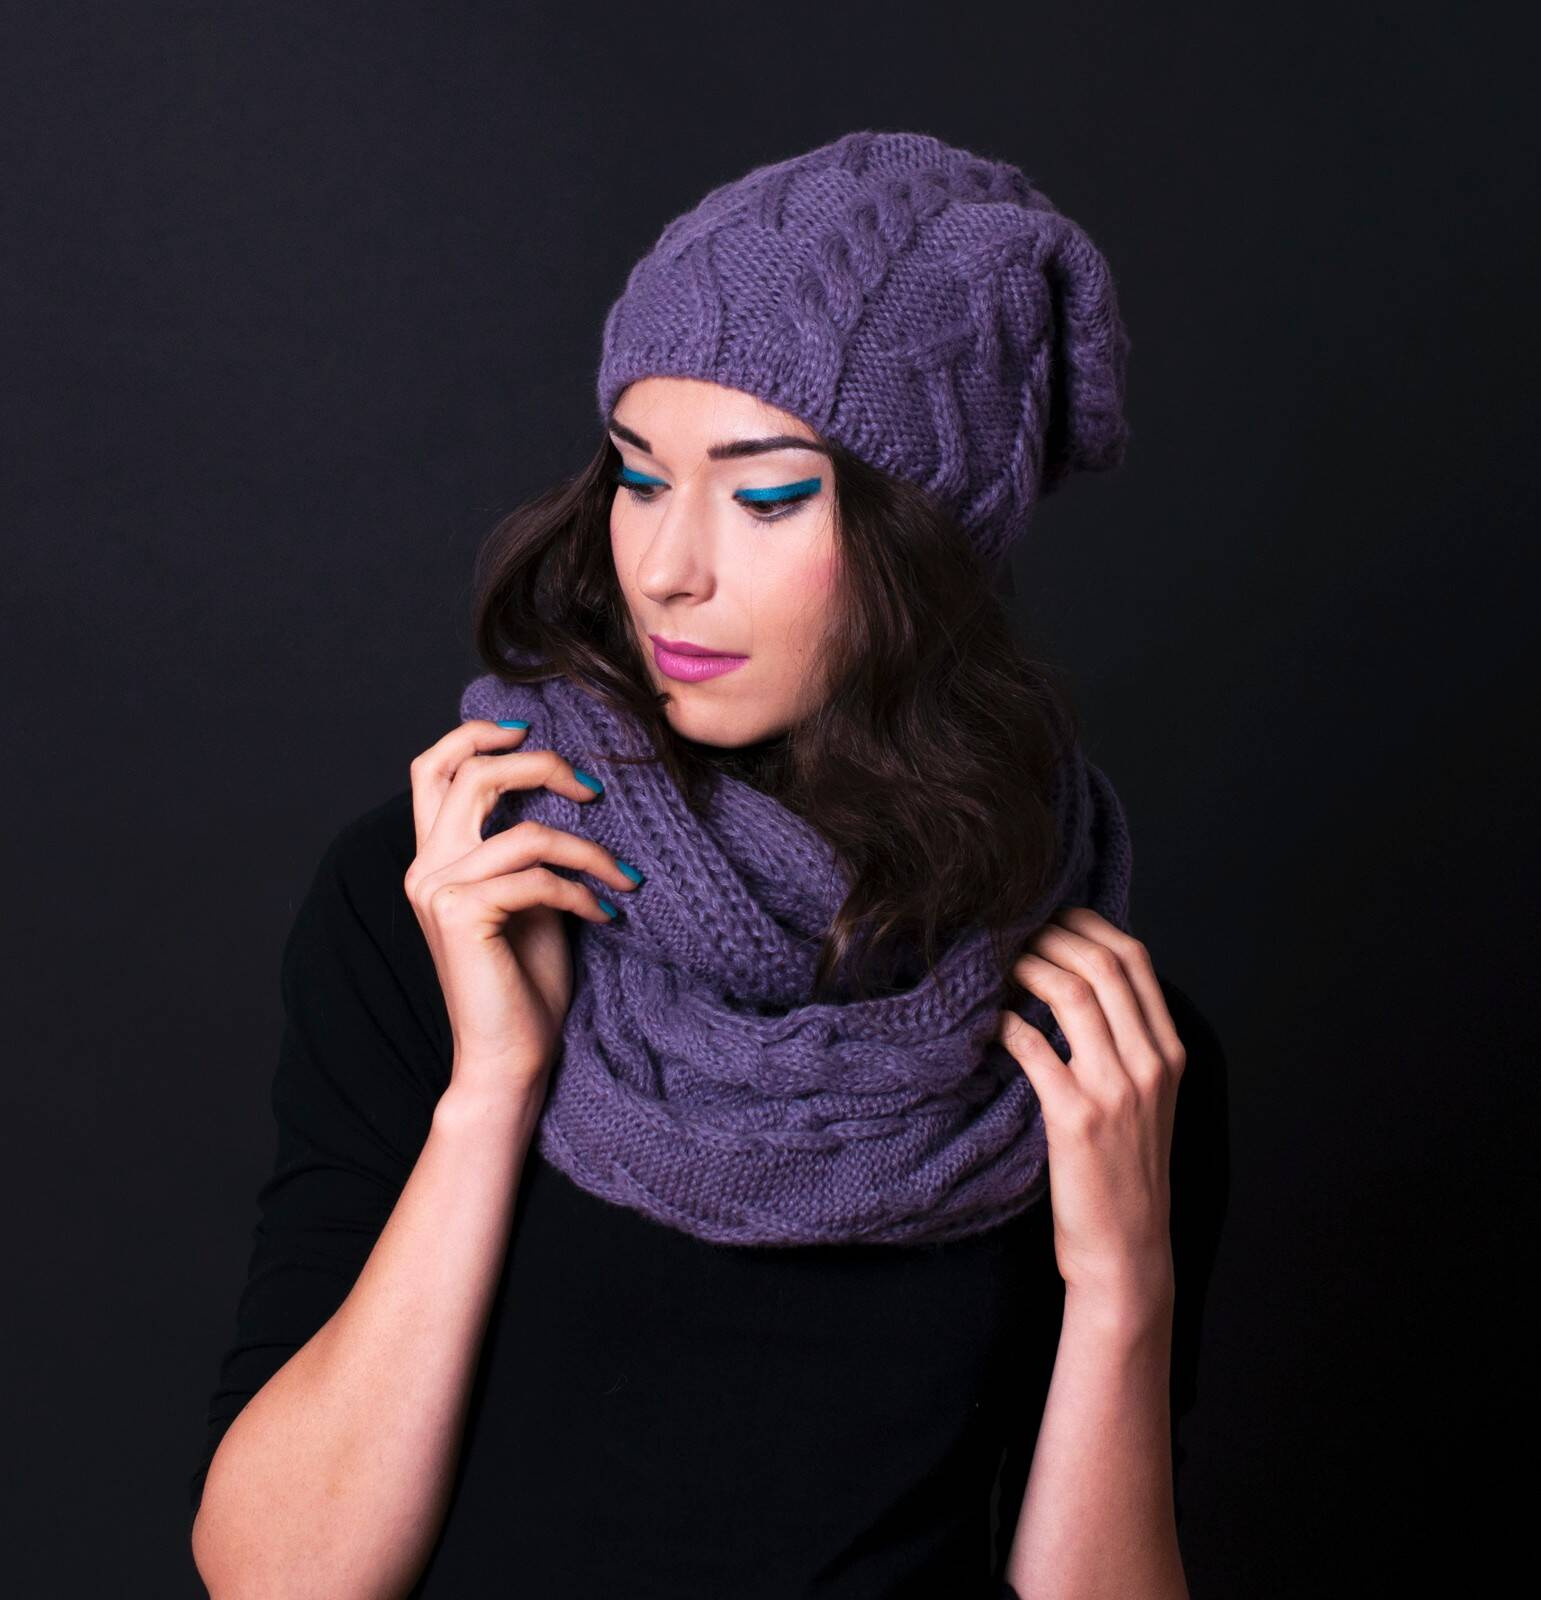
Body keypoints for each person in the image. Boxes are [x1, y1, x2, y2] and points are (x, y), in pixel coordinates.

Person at [188, 129, 1229, 1599]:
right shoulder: (456, 897)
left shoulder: (1090, 1045)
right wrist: (492, 1091)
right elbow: (273, 1578)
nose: (668, 567)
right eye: (638, 476)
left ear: (930, 541)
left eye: (764, 496)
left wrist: (1123, 1289)